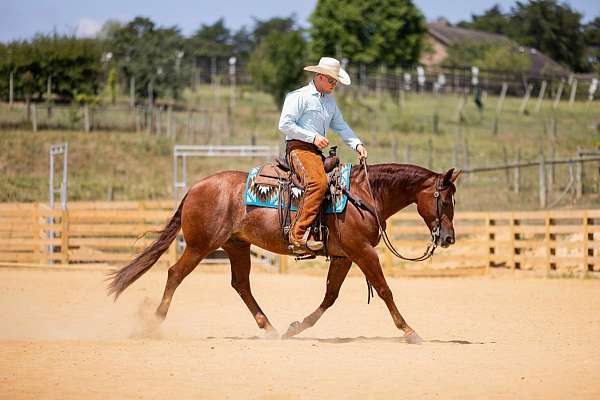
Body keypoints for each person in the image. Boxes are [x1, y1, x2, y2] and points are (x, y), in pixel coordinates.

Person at [278, 57, 368, 254]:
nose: (334, 84)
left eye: (336, 81)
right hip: (299, 148)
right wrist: (313, 137)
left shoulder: (330, 102)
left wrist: (357, 144)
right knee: (318, 183)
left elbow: (341, 126)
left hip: (315, 151)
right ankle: (297, 235)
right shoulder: (299, 96)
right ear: (319, 77)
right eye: (331, 81)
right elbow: (284, 124)